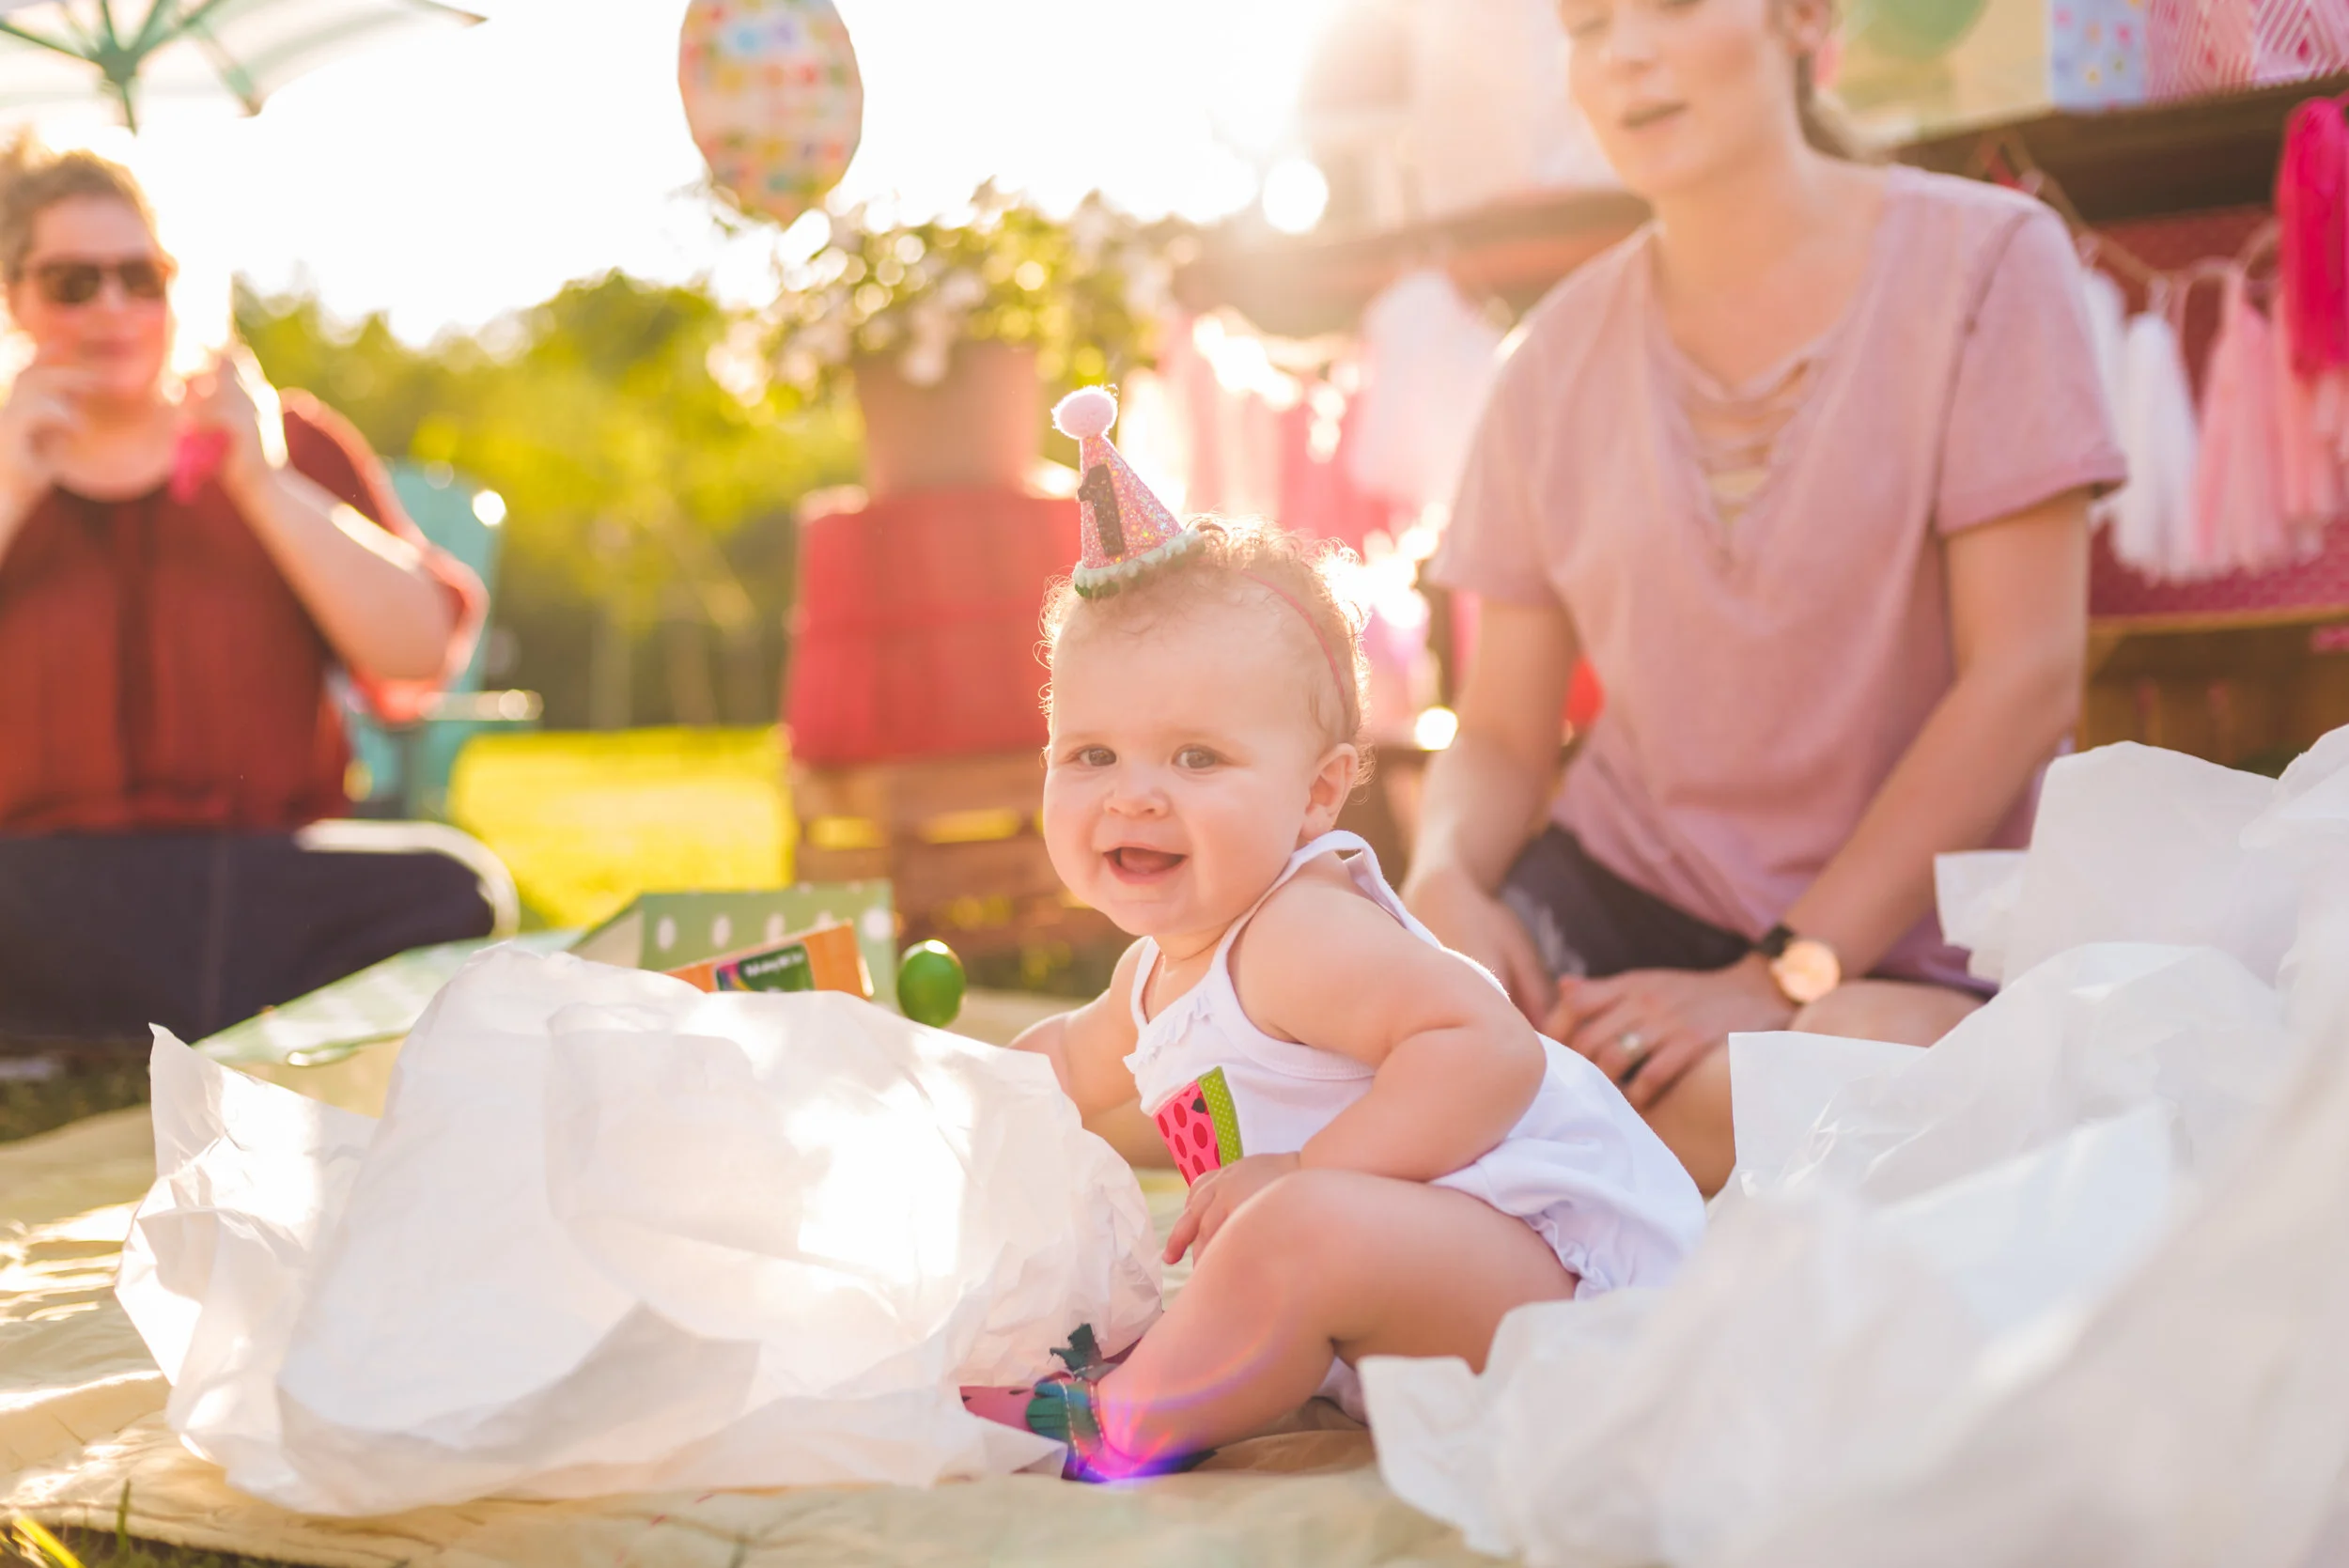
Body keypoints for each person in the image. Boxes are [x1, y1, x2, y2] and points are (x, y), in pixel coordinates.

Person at [1398, 0, 2125, 1194]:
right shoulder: (1548, 362)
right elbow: (1498, 730)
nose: (1625, 53)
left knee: (1811, 1094)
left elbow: (2025, 675)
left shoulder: (1988, 263)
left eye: (1670, 7)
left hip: (1910, 941)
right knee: (1342, 1045)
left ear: (1802, 17)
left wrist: (1778, 976)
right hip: (1612, 907)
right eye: (1585, 25)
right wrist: (1441, 888)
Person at [960, 389, 1704, 1481]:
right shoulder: (1152, 977)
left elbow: (1486, 1049)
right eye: (1091, 756)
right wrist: (943, 1105)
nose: (1133, 797)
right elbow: (1059, 1067)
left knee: (1293, 1232)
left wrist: (1305, 1167)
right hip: (1421, 1294)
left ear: (1316, 796)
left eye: (1197, 758)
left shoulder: (1296, 933)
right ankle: (1169, 1365)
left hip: (1567, 1289)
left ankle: (1121, 1423)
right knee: (1282, 1238)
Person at [0, 137, 507, 1046]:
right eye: (74, 282)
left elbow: (421, 649)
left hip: (256, 879)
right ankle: (168, 1030)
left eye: (141, 276)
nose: (112, 307)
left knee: (456, 884)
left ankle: (92, 1035)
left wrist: (264, 485)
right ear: (16, 298)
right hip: (37, 882)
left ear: (176, 287)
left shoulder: (283, 440)